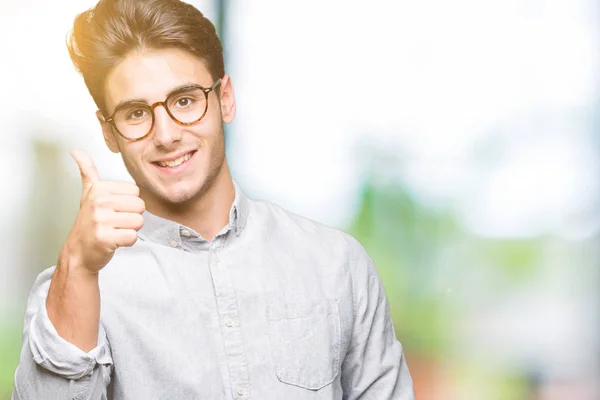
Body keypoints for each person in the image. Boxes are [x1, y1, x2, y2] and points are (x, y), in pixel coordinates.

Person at [11, 0, 415, 399]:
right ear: (109, 133)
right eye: (136, 113)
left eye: (185, 100)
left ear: (225, 98)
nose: (166, 135)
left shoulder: (335, 264)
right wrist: (79, 267)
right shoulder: (75, 288)